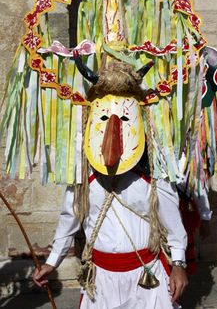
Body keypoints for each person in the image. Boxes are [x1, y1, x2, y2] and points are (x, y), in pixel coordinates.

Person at [33, 59, 189, 309]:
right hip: (101, 281)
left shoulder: (153, 178)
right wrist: (52, 262)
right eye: (104, 117)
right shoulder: (84, 181)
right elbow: (68, 220)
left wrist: (179, 265)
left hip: (147, 276)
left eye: (124, 119)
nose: (113, 131)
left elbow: (173, 224)